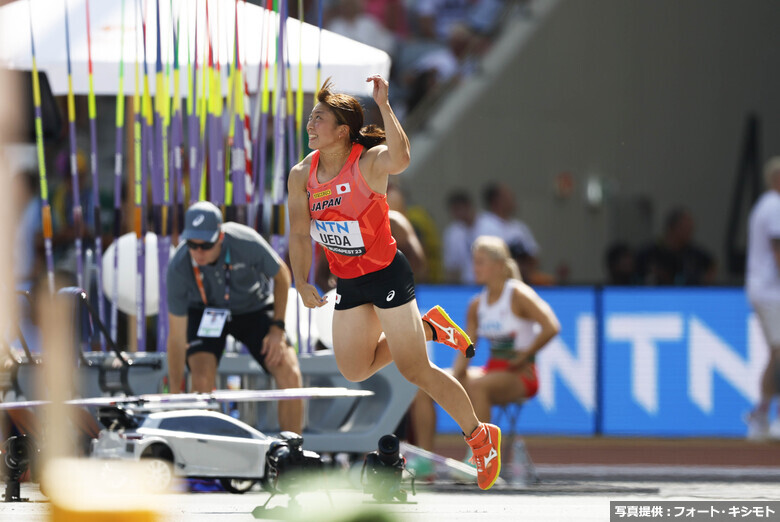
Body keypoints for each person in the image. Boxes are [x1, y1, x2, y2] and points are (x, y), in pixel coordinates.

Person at [287, 75, 501, 490]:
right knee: (353, 369)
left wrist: (385, 106)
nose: (310, 125)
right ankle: (428, 327)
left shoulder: (367, 162)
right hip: (348, 281)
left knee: (415, 369)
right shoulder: (301, 175)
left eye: (319, 118)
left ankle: (480, 437)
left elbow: (401, 158)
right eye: (310, 118)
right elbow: (298, 233)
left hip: (386, 275)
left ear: (342, 130)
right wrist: (300, 280)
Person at [412, 235, 560, 453]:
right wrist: (454, 376)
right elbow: (467, 347)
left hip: (522, 374)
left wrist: (525, 355)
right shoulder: (477, 304)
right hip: (492, 371)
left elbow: (551, 327)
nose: (475, 267)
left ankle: (480, 456)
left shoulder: (518, 294)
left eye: (480, 262)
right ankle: (424, 460)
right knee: (425, 387)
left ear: (499, 265)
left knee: (477, 386)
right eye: (474, 261)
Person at [166, 201, 303, 434]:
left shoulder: (244, 241)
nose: (198, 252)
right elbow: (177, 338)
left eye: (206, 245)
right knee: (200, 380)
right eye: (192, 244)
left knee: (289, 371)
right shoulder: (179, 266)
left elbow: (282, 275)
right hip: (206, 311)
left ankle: (292, 456)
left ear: (220, 236)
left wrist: (277, 329)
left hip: (254, 307)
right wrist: (174, 394)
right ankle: (202, 454)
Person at [744, 157, 780, 440]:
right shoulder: (775, 205)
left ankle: (762, 415)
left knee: (776, 352)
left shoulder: (764, 205)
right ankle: (767, 416)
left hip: (764, 288)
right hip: (771, 290)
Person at [636, 207, 716, 285]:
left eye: (691, 229)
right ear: (671, 228)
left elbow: (711, 265)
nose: (689, 233)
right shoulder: (649, 253)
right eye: (685, 228)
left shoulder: (694, 253)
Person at [442, 189, 478, 284]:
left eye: (458, 209)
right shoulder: (452, 232)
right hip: (466, 285)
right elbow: (451, 267)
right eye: (454, 210)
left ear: (468, 206)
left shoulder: (490, 225)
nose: (456, 214)